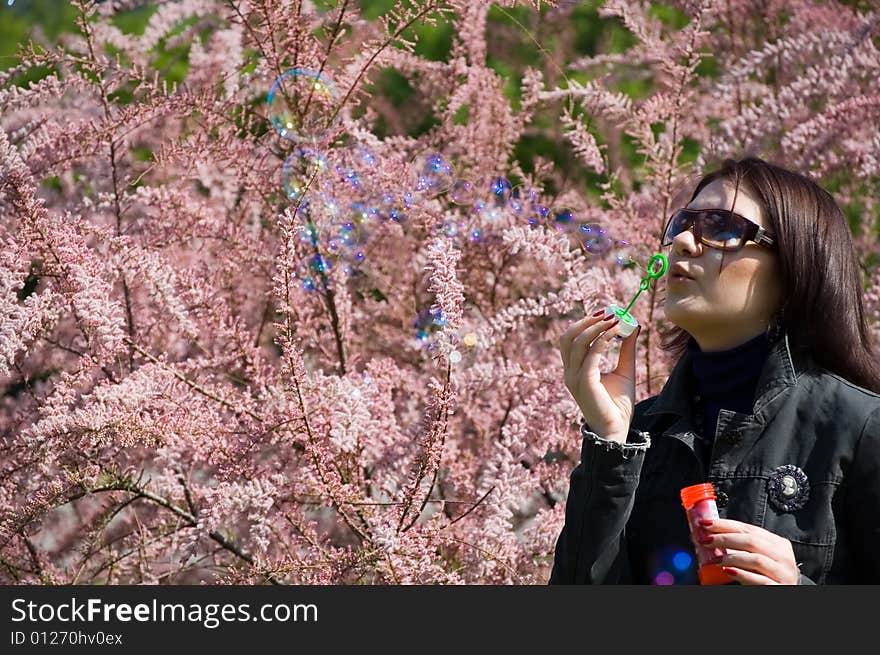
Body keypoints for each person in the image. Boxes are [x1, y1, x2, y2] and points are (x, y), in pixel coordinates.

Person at [549, 156, 880, 585]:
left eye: (722, 228)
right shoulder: (640, 433)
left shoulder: (861, 426)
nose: (684, 242)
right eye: (683, 224)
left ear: (796, 267)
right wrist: (610, 442)